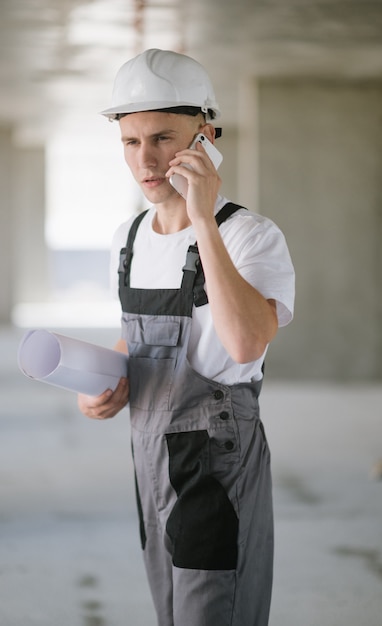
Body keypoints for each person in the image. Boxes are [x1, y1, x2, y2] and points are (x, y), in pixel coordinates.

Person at [78, 48, 295, 626]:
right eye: (131, 141)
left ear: (206, 135)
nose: (146, 160)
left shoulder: (250, 236)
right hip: (150, 463)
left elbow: (247, 343)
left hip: (215, 464)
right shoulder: (128, 239)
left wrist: (202, 218)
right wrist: (100, 382)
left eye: (164, 138)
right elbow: (140, 342)